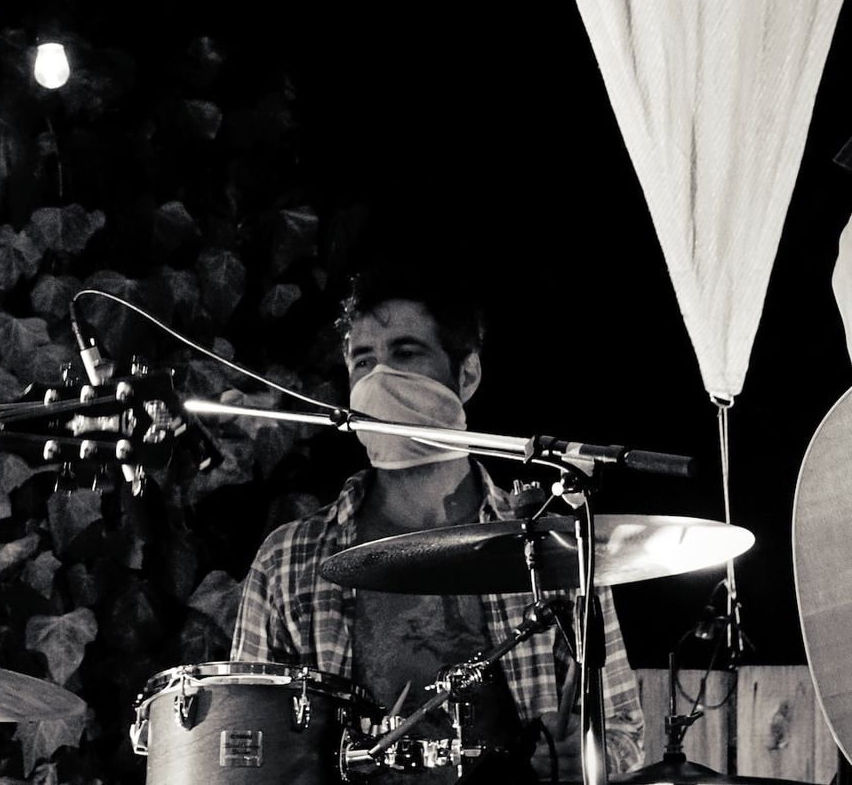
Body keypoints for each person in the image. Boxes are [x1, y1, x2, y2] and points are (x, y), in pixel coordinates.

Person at [231, 268, 644, 784]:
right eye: (363, 361)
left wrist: (585, 753)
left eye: (406, 353)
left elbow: (624, 733)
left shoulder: (558, 548)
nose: (379, 379)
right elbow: (240, 749)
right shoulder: (288, 561)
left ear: (466, 375)